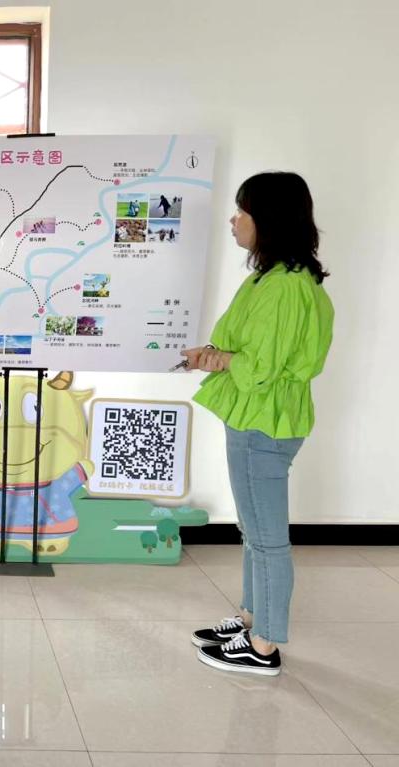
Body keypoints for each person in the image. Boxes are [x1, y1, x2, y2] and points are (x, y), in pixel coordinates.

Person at [181, 171, 333, 676]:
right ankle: (251, 619)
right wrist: (214, 355)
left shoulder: (284, 287)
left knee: (266, 537)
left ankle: (263, 645)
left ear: (268, 219)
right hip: (261, 417)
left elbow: (260, 367)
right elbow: (251, 352)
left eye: (242, 211)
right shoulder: (274, 278)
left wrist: (218, 359)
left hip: (262, 421)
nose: (233, 220)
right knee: (253, 529)